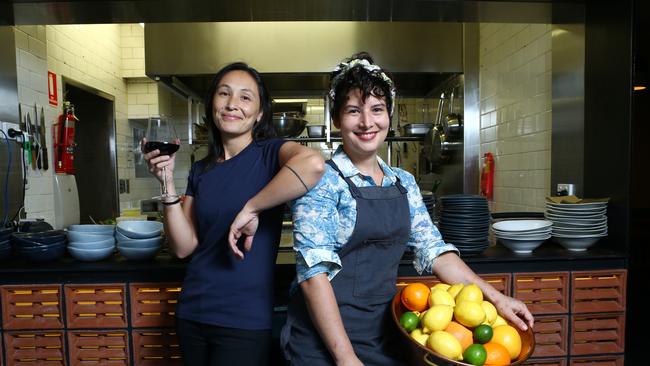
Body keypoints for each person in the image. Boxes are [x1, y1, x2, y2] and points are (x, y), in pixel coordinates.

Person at [280, 53, 534, 366]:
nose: (366, 122)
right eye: (353, 111)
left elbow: (435, 251)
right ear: (336, 119)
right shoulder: (321, 181)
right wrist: (345, 358)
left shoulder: (403, 182)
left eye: (376, 109)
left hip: (387, 334)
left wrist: (496, 297)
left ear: (389, 115)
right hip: (323, 344)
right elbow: (313, 275)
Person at [143, 62, 325, 366]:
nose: (231, 104)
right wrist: (166, 183)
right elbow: (183, 246)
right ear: (212, 104)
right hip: (193, 312)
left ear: (260, 113)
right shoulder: (201, 169)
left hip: (244, 319)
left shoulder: (271, 155)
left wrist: (252, 207)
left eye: (245, 97)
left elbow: (314, 165)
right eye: (224, 94)